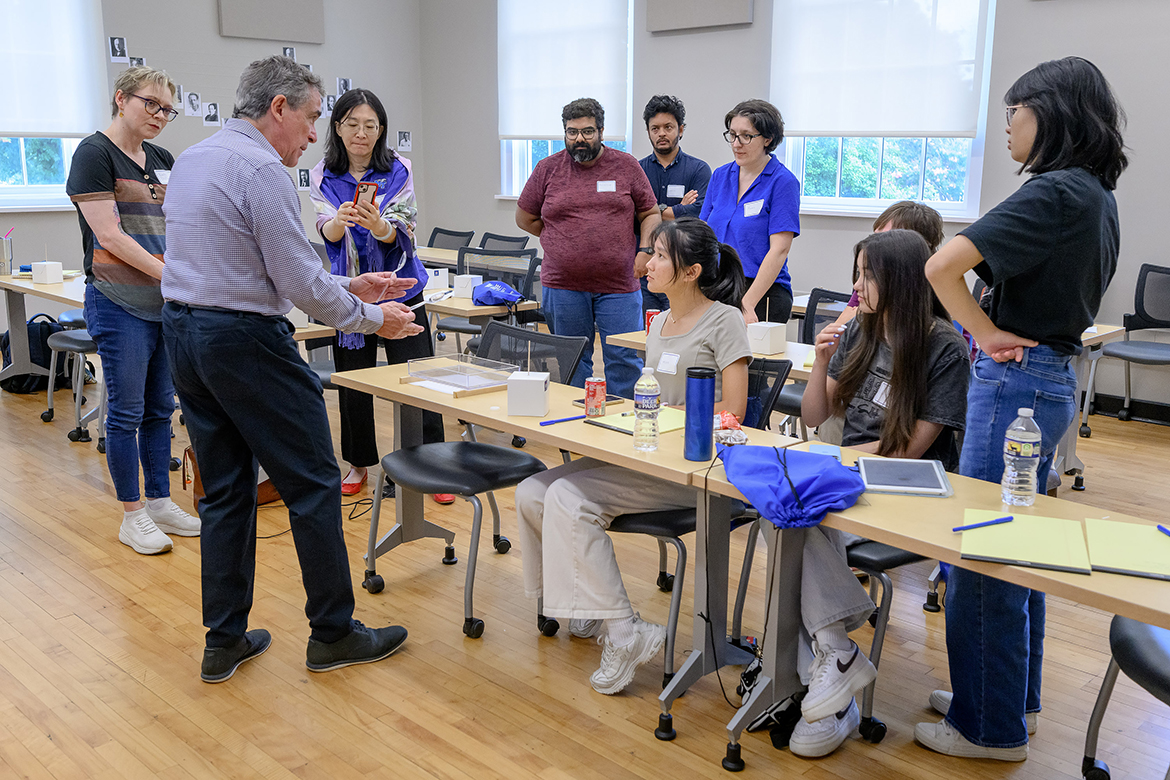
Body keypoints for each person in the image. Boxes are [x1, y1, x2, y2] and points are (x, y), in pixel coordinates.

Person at [161, 56, 420, 684]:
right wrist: (371, 317)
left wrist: (350, 284)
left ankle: (222, 640)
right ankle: (333, 633)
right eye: (309, 119)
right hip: (245, 341)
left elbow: (259, 264)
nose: (313, 135)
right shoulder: (263, 170)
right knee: (312, 482)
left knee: (224, 490)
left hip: (186, 334)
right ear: (278, 109)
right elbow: (296, 281)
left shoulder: (194, 158)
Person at [919, 56, 1127, 761]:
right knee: (1020, 551)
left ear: (1052, 113)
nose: (1007, 127)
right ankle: (1008, 700)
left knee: (982, 552)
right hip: (1048, 380)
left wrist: (978, 332)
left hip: (1015, 383)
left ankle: (988, 727)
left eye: (1015, 112)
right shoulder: (1098, 194)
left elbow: (940, 266)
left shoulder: (1055, 192)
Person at [515, 217, 750, 695]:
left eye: (660, 256)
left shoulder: (724, 319)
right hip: (647, 451)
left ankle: (624, 630)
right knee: (532, 491)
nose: (646, 264)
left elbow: (737, 409)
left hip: (693, 464)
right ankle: (586, 607)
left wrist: (683, 414)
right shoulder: (659, 321)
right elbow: (652, 396)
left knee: (565, 496)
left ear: (690, 271)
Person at [791, 229, 969, 757]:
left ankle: (830, 667)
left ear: (902, 281)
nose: (857, 285)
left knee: (802, 517)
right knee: (783, 514)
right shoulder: (862, 331)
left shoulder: (944, 346)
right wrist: (822, 361)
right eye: (858, 272)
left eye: (868, 274)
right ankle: (835, 650)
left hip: (909, 491)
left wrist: (835, 462)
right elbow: (814, 416)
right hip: (851, 476)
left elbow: (908, 453)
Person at [66, 65, 199, 556]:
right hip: (118, 301)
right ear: (122, 99)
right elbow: (110, 236)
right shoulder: (94, 154)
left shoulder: (162, 157)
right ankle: (132, 513)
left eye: (168, 109)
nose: (161, 116)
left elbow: (176, 224)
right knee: (125, 412)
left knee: (161, 408)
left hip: (163, 303)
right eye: (151, 104)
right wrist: (173, 275)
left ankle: (161, 502)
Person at [309, 87, 451, 503]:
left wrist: (378, 227)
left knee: (419, 379)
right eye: (352, 124)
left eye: (370, 125)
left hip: (403, 287)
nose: (361, 133)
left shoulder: (399, 169)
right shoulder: (322, 174)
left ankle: (433, 465)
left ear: (381, 130)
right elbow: (324, 232)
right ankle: (358, 465)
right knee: (356, 380)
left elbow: (405, 228)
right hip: (351, 292)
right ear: (337, 128)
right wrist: (339, 220)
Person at [515, 98, 660, 397]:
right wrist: (559, 239)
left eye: (587, 131)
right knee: (571, 360)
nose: (579, 139)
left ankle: (622, 431)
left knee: (623, 359)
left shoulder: (626, 165)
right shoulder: (548, 169)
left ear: (602, 131)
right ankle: (575, 432)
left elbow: (650, 213)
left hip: (619, 285)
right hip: (564, 285)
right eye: (572, 132)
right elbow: (525, 217)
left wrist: (645, 250)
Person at [700, 99, 800, 325]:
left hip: (761, 292)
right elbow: (703, 233)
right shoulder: (720, 175)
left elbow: (779, 250)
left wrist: (747, 304)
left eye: (746, 136)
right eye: (732, 135)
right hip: (717, 286)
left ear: (768, 138)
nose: (737, 143)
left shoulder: (782, 182)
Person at [637, 95, 712, 313]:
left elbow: (698, 213)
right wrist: (677, 208)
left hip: (682, 268)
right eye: (655, 128)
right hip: (645, 270)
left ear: (680, 130)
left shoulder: (699, 169)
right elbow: (632, 216)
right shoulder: (637, 170)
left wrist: (652, 212)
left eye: (668, 127)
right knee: (646, 336)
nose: (661, 133)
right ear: (649, 132)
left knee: (681, 333)